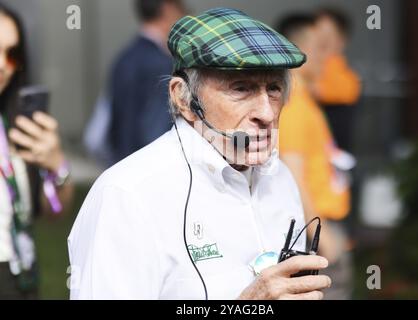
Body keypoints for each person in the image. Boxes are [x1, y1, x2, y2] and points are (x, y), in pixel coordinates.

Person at [69, 7, 331, 300]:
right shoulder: (127, 194)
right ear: (183, 98)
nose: (267, 113)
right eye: (241, 88)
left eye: (274, 88)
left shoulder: (280, 177)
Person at [277, 14, 353, 299]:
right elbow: (292, 169)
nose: (329, 56)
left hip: (323, 224)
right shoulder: (294, 101)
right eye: (321, 47)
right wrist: (319, 232)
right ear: (298, 51)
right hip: (319, 229)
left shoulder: (305, 98)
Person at [0, 3, 73, 299]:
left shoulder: (13, 120)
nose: (4, 64)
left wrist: (57, 165)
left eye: (12, 53)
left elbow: (54, 213)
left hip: (21, 276)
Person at [105, 0, 185, 165]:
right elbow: (156, 132)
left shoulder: (124, 58)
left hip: (122, 164)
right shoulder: (162, 64)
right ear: (168, 8)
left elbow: (105, 131)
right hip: (151, 169)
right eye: (182, 8)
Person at [311, 8, 361, 152]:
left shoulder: (346, 78)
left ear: (341, 41)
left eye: (325, 38)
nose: (318, 42)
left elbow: (316, 90)